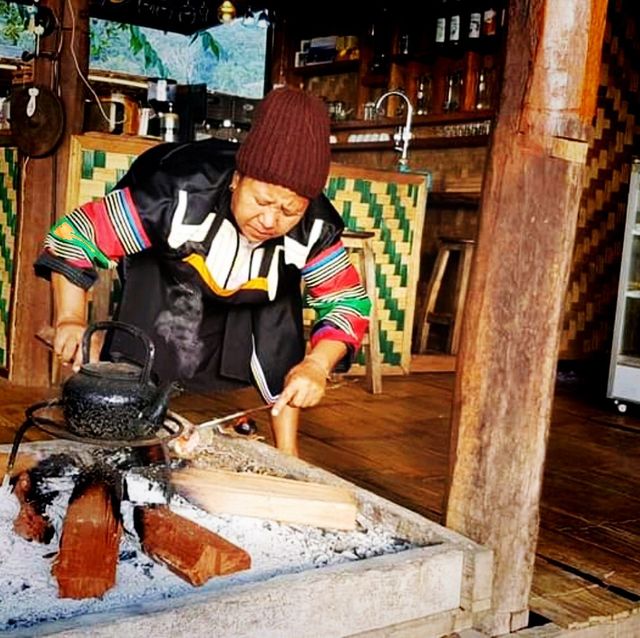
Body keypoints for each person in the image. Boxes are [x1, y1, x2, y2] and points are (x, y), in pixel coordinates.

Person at [34, 87, 371, 456]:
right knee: (141, 346)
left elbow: (346, 303)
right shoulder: (176, 194)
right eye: (261, 201)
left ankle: (289, 458)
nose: (271, 219)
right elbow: (77, 235)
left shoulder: (316, 226)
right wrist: (69, 318)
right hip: (168, 267)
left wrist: (317, 365)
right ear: (237, 179)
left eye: (289, 211)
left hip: (256, 288)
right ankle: (129, 438)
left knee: (282, 309)